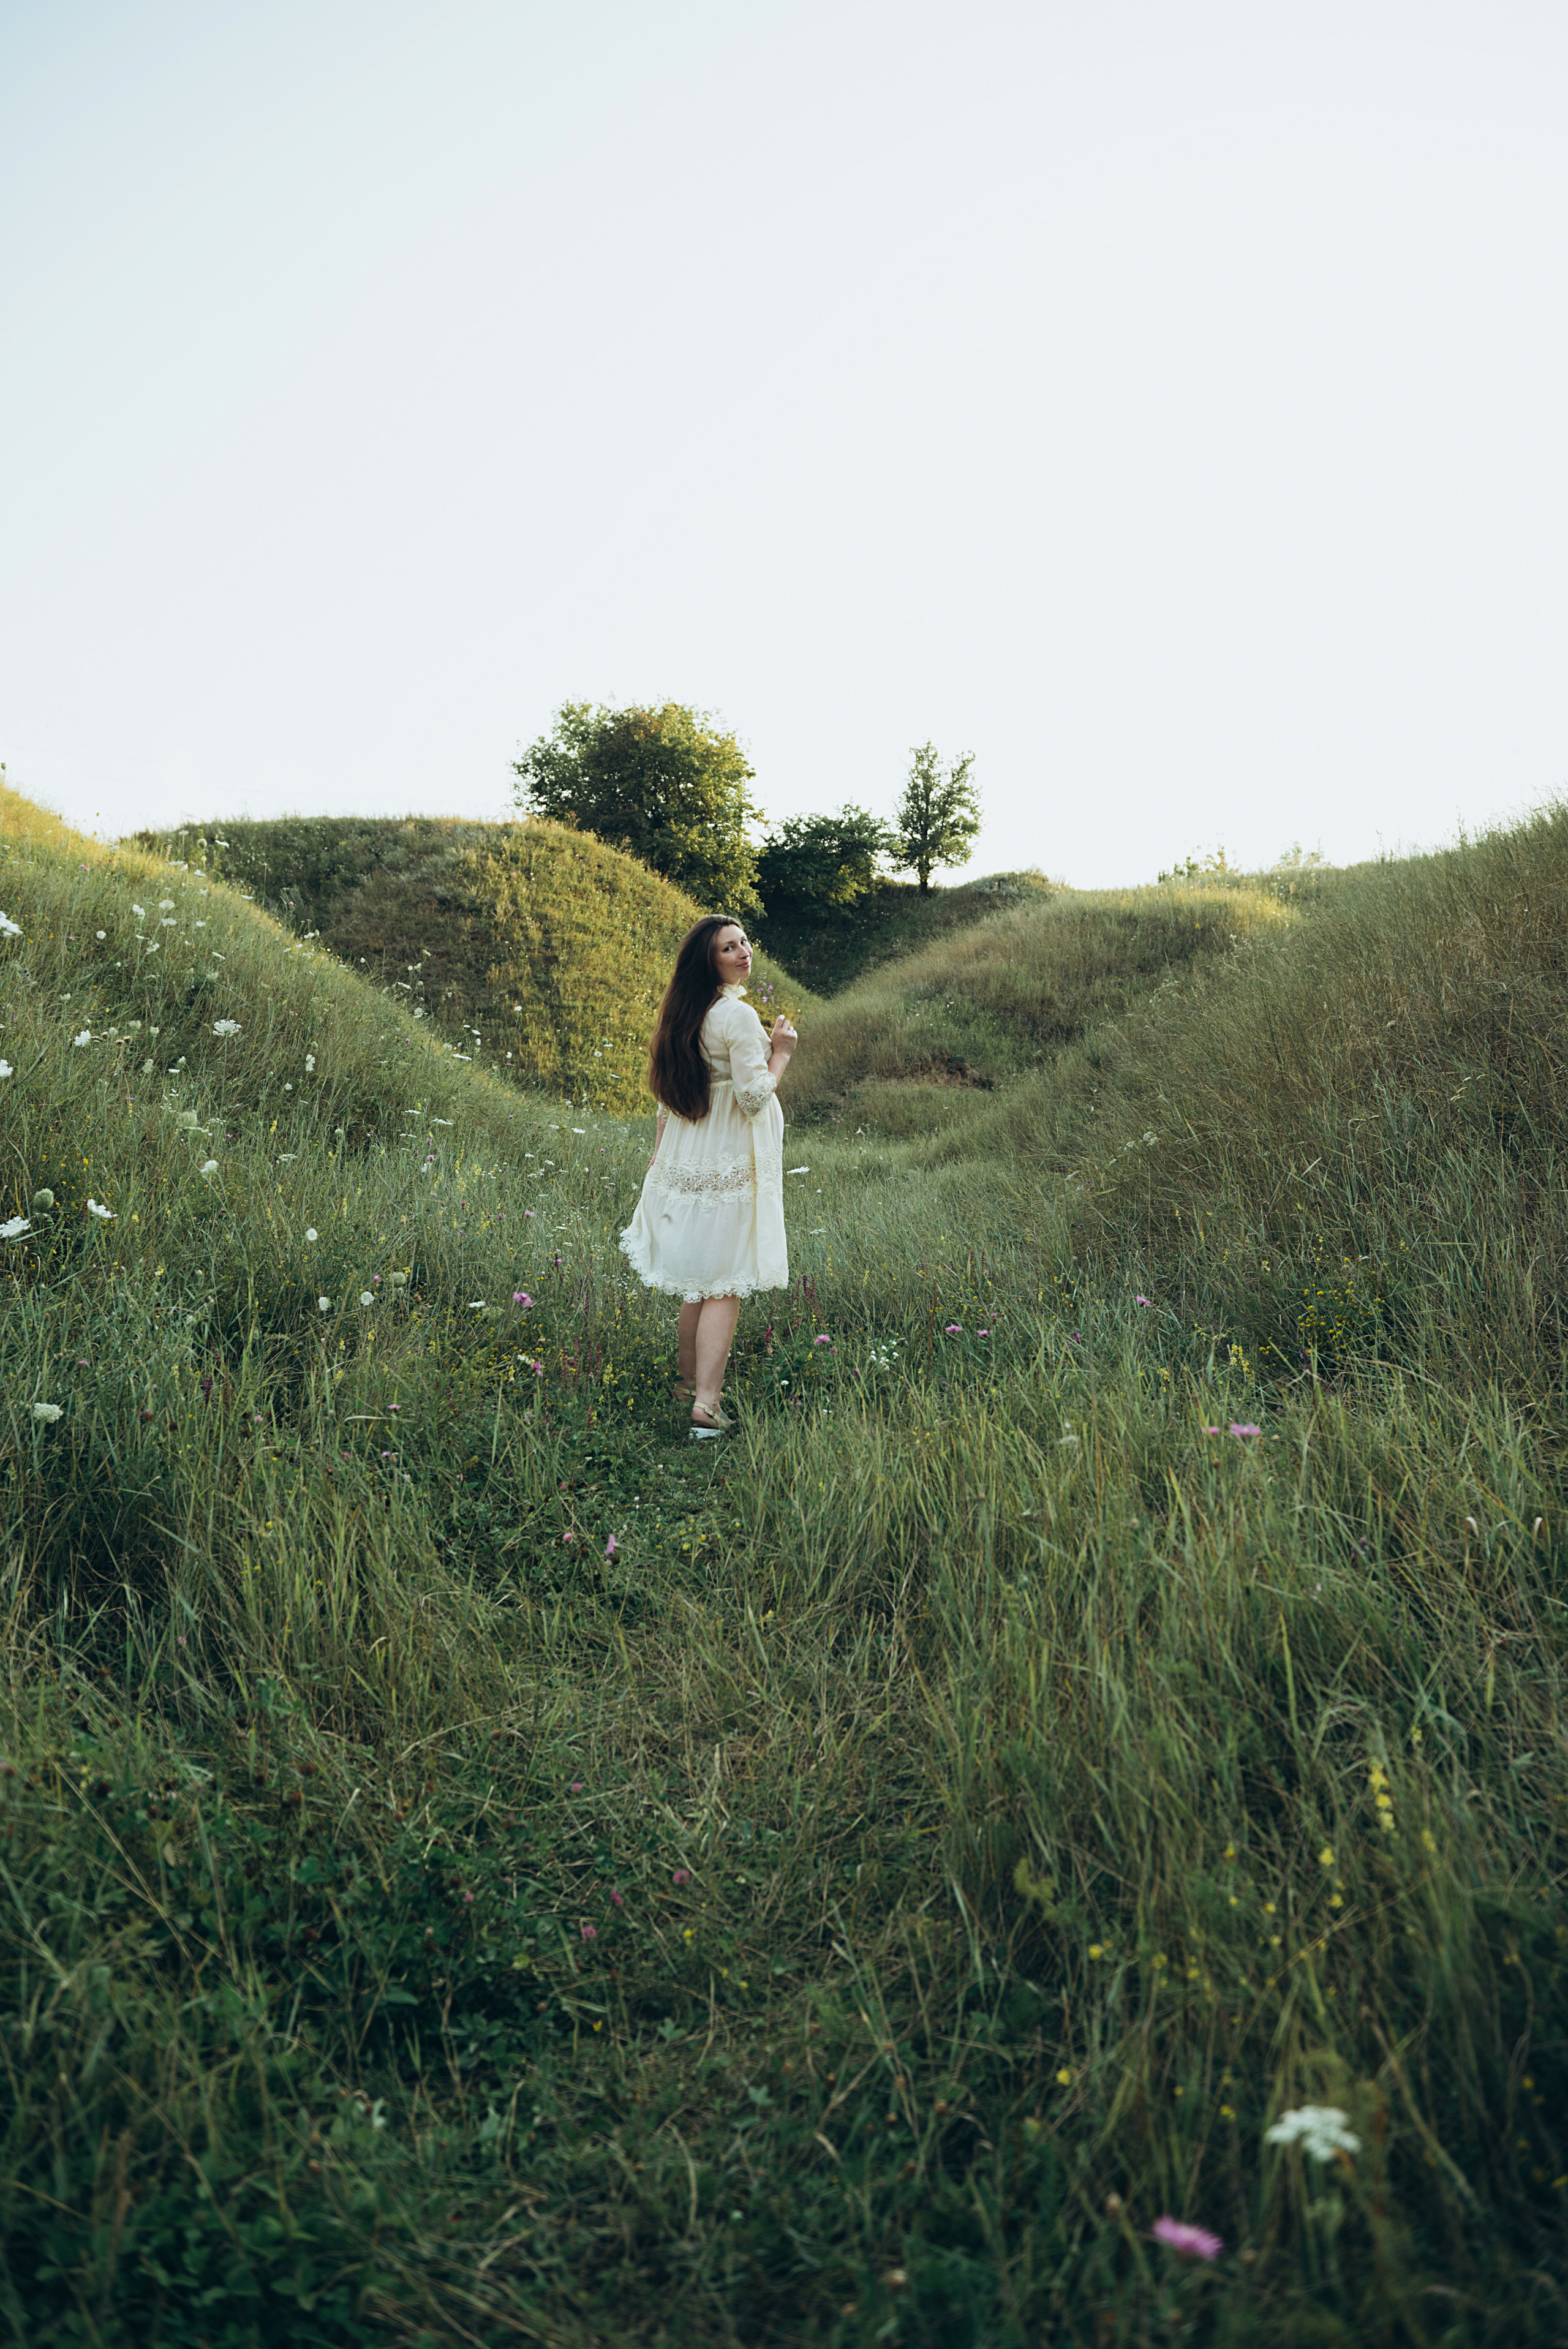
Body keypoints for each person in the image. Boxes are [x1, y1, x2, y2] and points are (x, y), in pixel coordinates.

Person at [619, 914, 797, 1435]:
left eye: (743, 942)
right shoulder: (736, 1016)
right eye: (728, 948)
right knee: (725, 1281)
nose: (743, 953)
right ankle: (707, 1404)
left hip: (692, 1154)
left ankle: (686, 1383)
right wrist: (781, 1053)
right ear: (709, 960)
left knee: (699, 1281)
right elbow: (754, 1095)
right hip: (729, 1157)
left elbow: (665, 1101)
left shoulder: (686, 1012)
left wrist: (658, 1160)